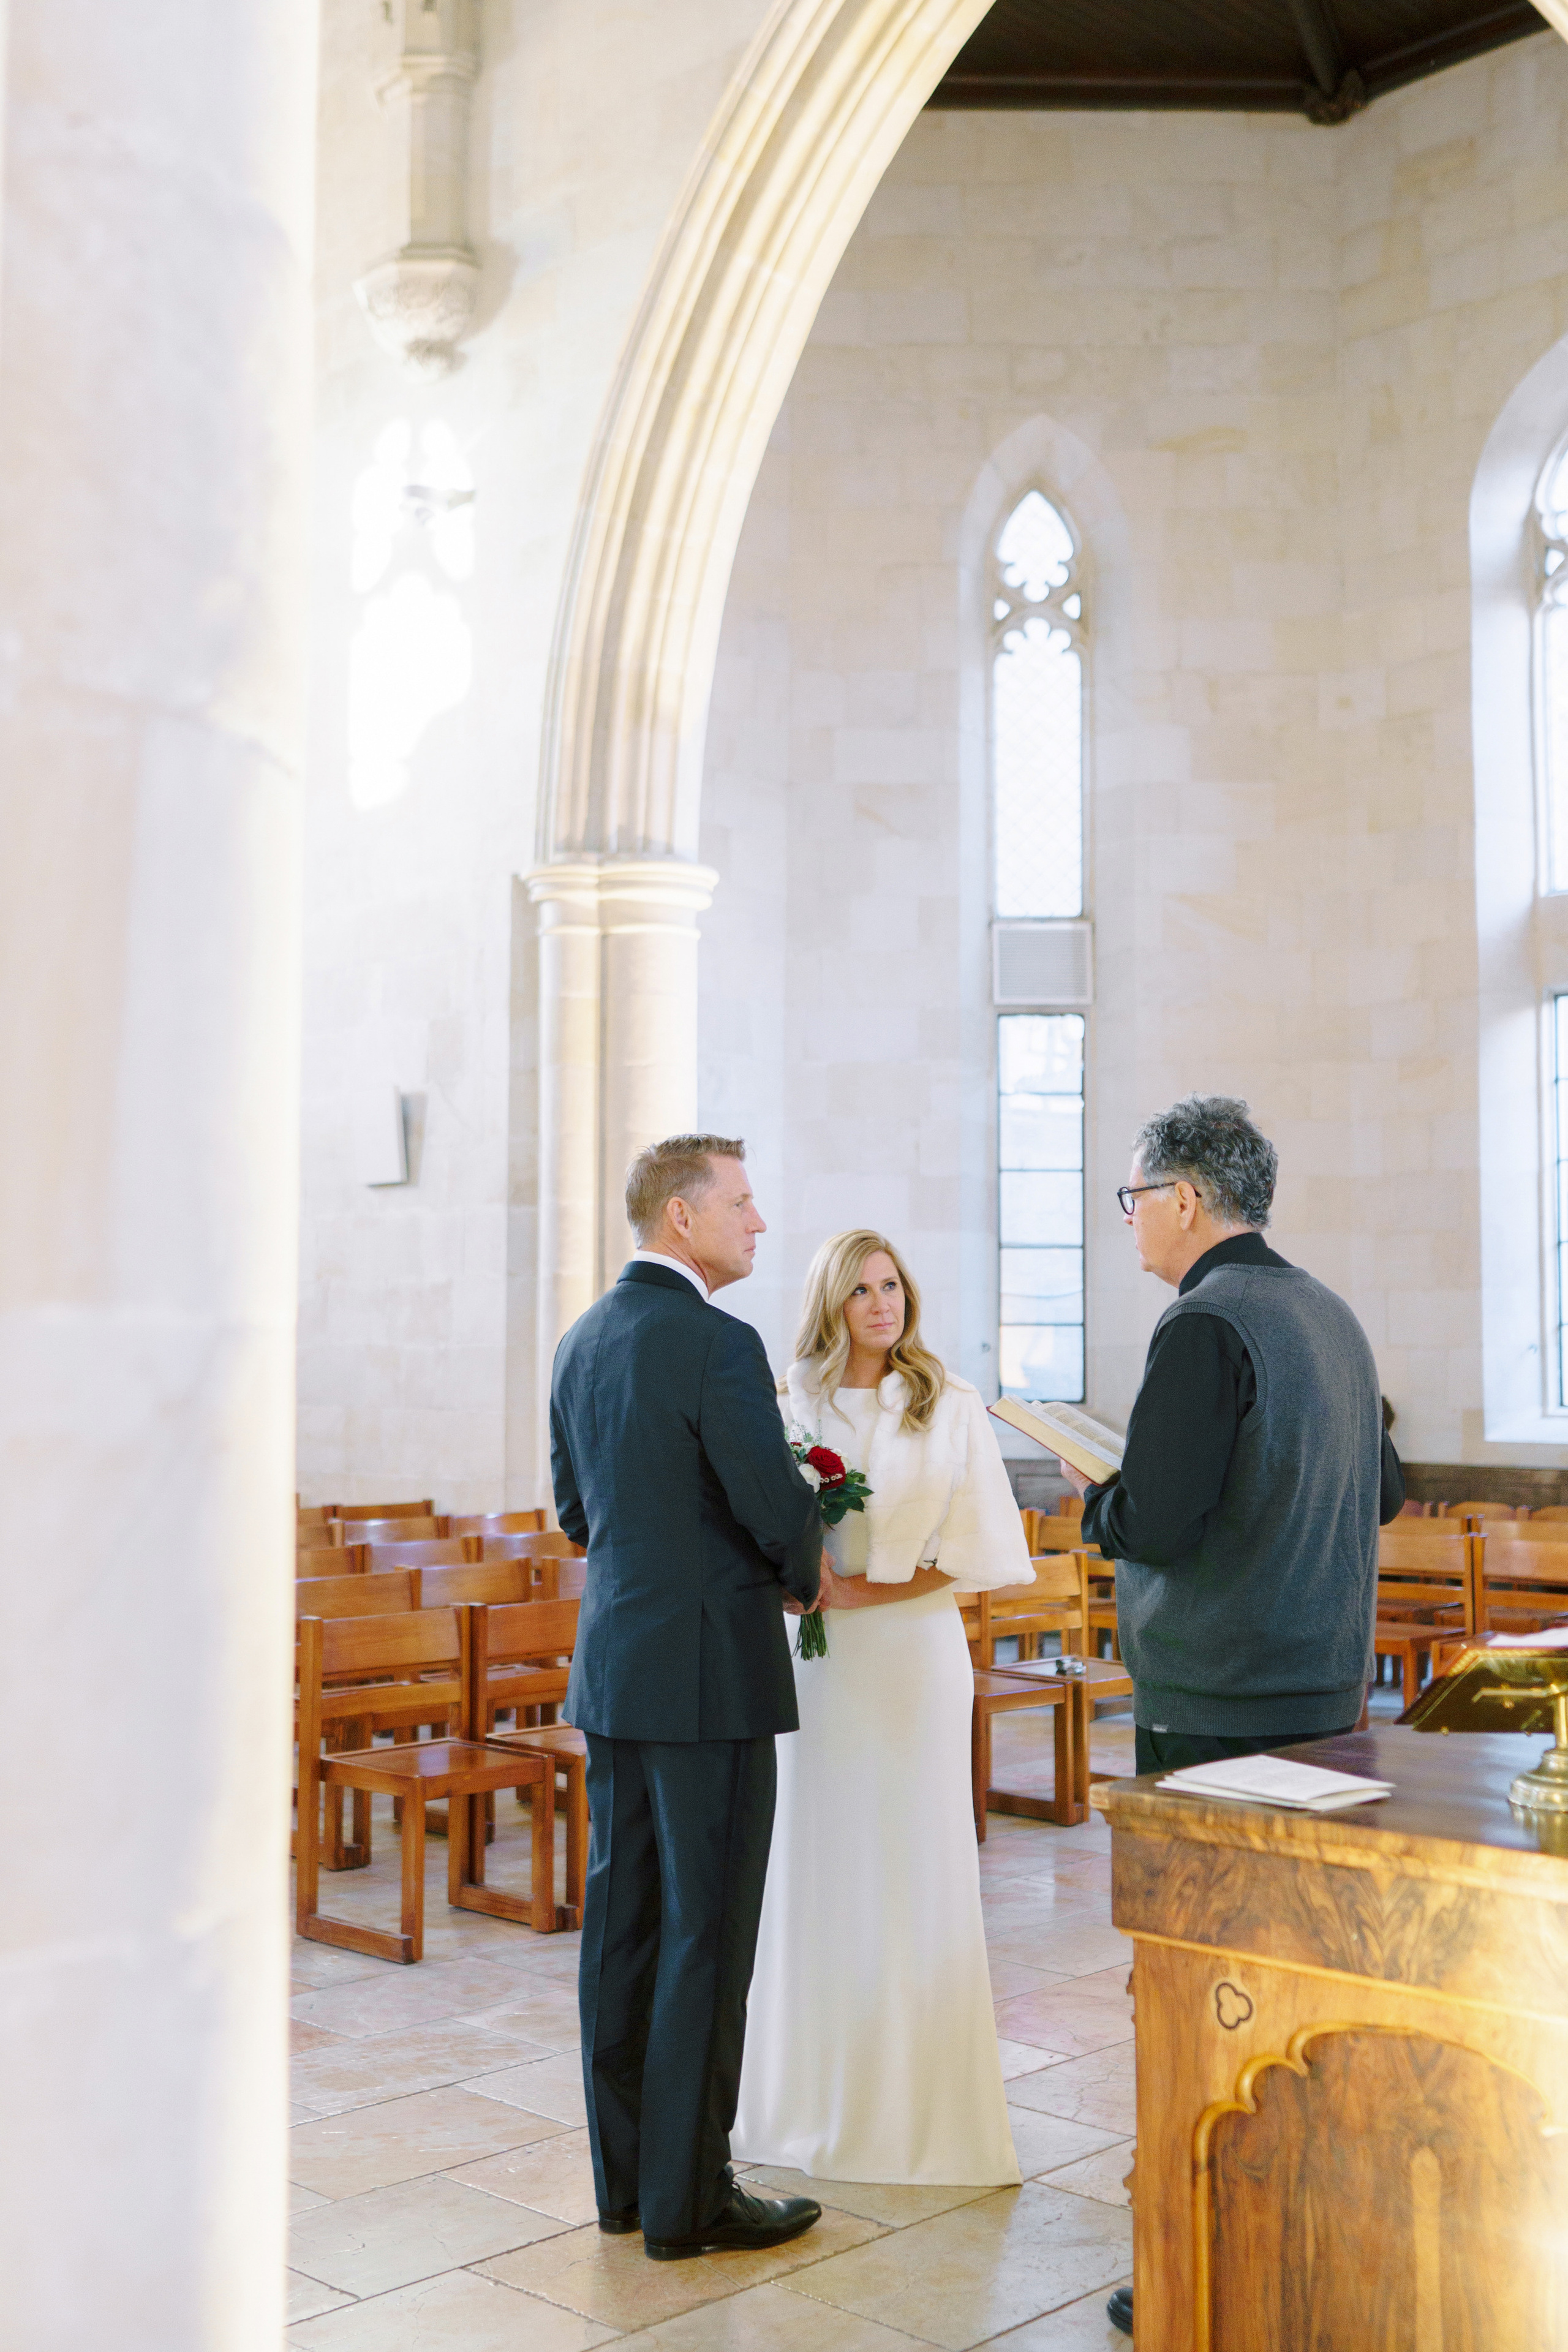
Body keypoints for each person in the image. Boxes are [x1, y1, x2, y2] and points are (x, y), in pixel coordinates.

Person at [1056, 1096, 1403, 2344]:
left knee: (1199, 1987)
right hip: (1325, 1699)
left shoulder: (1204, 1326)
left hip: (1213, 1708)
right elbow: (1386, 1488)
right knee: (1293, 1981)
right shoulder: (1329, 1317)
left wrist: (1096, 1502)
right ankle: (1293, 2231)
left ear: (1184, 1199)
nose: (1131, 1221)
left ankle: (1198, 2256)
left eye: (1133, 1198)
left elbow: (1155, 1520)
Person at [551, 1133, 825, 2262]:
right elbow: (772, 1503)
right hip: (710, 1677)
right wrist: (805, 1569)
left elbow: (576, 1514)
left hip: (615, 1670)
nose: (758, 1224)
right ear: (680, 1217)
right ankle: (692, 2199)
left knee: (623, 1928)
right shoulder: (716, 1342)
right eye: (743, 1205)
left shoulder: (581, 1343)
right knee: (706, 1936)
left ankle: (627, 2188)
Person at [733, 1227, 1035, 2187]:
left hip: (911, 1659)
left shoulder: (946, 1406)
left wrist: (863, 1592)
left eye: (893, 1285)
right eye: (862, 1289)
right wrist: (796, 1580)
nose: (882, 1303)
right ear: (833, 1303)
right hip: (816, 1666)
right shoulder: (787, 1401)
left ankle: (920, 2123)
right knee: (814, 1866)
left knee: (911, 1870)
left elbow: (982, 1549)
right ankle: (802, 2108)